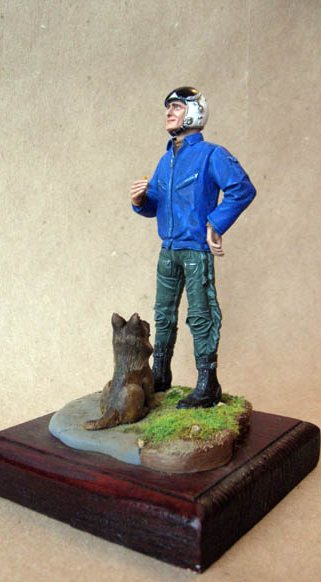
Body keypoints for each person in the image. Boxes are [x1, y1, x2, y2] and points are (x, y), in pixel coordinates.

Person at [130, 87, 256, 409]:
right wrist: (140, 200)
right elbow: (155, 203)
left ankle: (207, 384)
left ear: (194, 112)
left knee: (201, 316)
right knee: (163, 315)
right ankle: (160, 374)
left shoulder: (212, 155)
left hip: (195, 252)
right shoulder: (166, 161)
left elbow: (241, 188)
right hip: (168, 250)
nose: (169, 113)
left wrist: (215, 224)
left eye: (176, 107)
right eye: (168, 108)